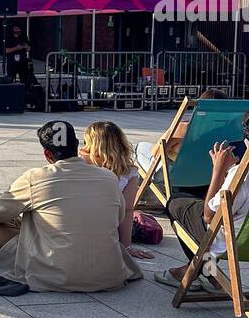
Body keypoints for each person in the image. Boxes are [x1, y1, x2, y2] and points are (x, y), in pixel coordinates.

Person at [0, 120, 142, 292]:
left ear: (47, 153)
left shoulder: (36, 177)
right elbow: (119, 216)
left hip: (53, 274)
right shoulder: (109, 177)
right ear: (77, 145)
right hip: (109, 274)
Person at [155, 108, 249, 291]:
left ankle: (204, 272)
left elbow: (209, 216)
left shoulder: (241, 174)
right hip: (244, 239)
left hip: (232, 241)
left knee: (175, 204)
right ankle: (208, 273)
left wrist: (218, 170)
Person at [79, 120, 149, 254]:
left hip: (78, 225)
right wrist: (126, 246)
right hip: (108, 229)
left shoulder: (81, 163)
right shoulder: (129, 172)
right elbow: (127, 210)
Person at [135, 88, 226, 185]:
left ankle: (140, 190)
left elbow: (157, 153)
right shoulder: (226, 132)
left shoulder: (185, 128)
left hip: (171, 176)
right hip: (205, 179)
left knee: (141, 147)